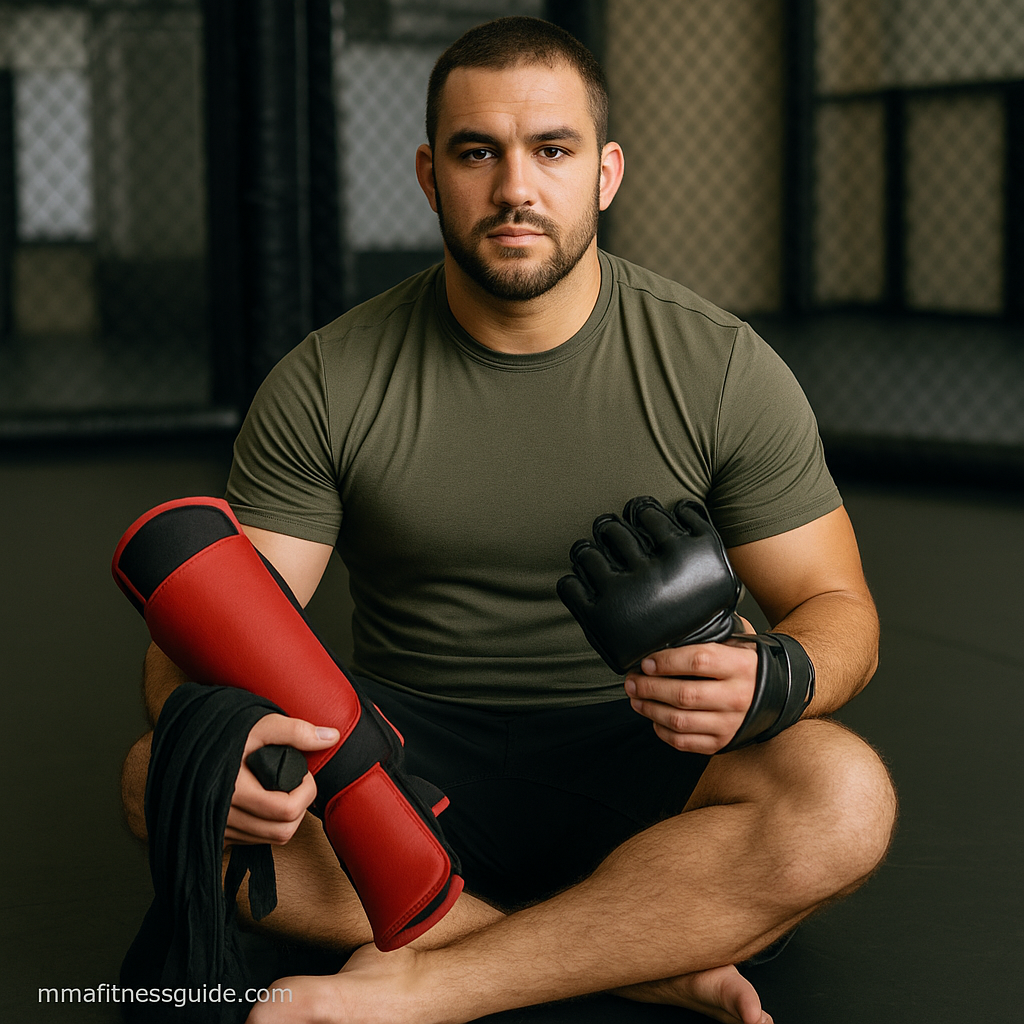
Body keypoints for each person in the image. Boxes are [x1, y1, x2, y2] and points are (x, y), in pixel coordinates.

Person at [121, 16, 896, 1024]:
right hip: (399, 773)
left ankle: (439, 978)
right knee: (161, 777)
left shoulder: (720, 369)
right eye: (477, 152)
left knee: (843, 795)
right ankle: (633, 951)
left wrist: (774, 677)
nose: (515, 188)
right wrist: (219, 734)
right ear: (429, 174)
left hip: (649, 751)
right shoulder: (328, 379)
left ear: (606, 174)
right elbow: (207, 628)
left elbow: (839, 609)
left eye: (553, 150)